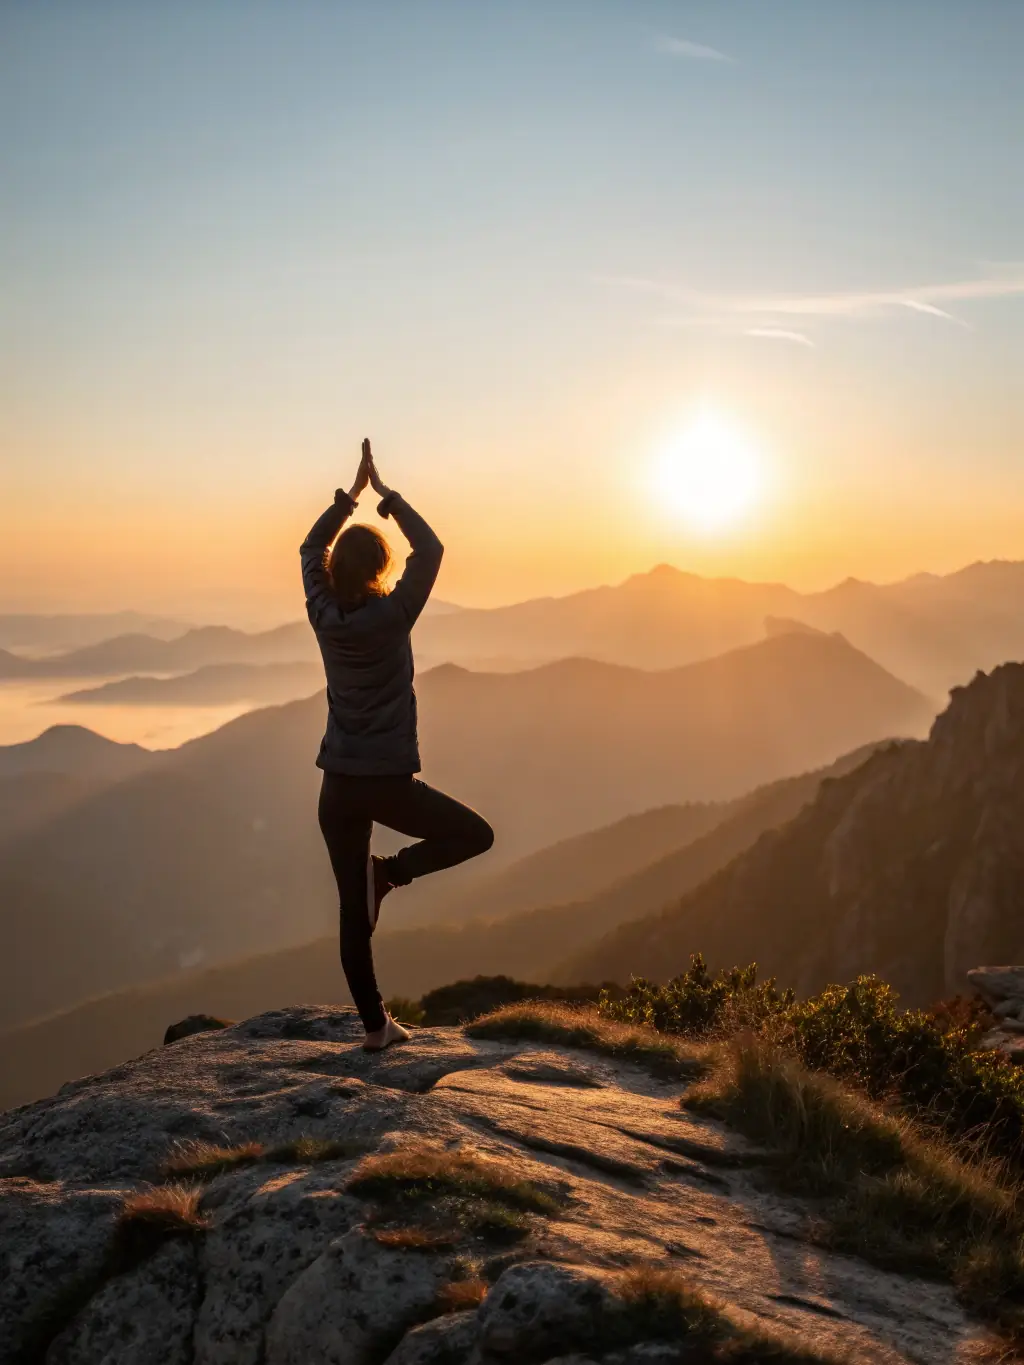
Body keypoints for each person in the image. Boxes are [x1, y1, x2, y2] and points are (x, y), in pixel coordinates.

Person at [301, 439, 494, 1051]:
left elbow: (309, 547)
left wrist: (347, 500)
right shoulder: (393, 616)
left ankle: (374, 1027)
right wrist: (387, 498)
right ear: (380, 572)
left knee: (350, 915)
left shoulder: (321, 611)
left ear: (336, 572)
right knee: (474, 835)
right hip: (386, 781)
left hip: (337, 785)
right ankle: (391, 873)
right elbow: (432, 550)